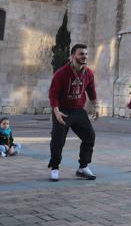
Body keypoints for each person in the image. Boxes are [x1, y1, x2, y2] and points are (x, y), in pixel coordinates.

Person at [48, 43, 98, 182]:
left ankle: (83, 168)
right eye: (81, 54)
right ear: (72, 56)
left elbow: (91, 89)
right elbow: (53, 95)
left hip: (78, 111)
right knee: (58, 141)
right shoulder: (61, 73)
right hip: (62, 111)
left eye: (86, 54)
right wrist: (56, 112)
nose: (84, 56)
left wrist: (96, 106)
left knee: (89, 137)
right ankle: (55, 168)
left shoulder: (88, 72)